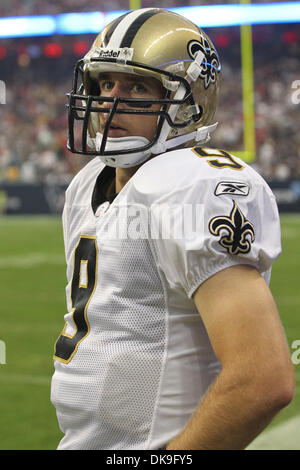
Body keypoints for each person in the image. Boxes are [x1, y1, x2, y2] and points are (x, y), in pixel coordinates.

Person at [51, 8, 295, 450]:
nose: (110, 101)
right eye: (105, 83)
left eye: (137, 86)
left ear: (189, 102)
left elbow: (262, 378)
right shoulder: (87, 182)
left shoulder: (194, 184)